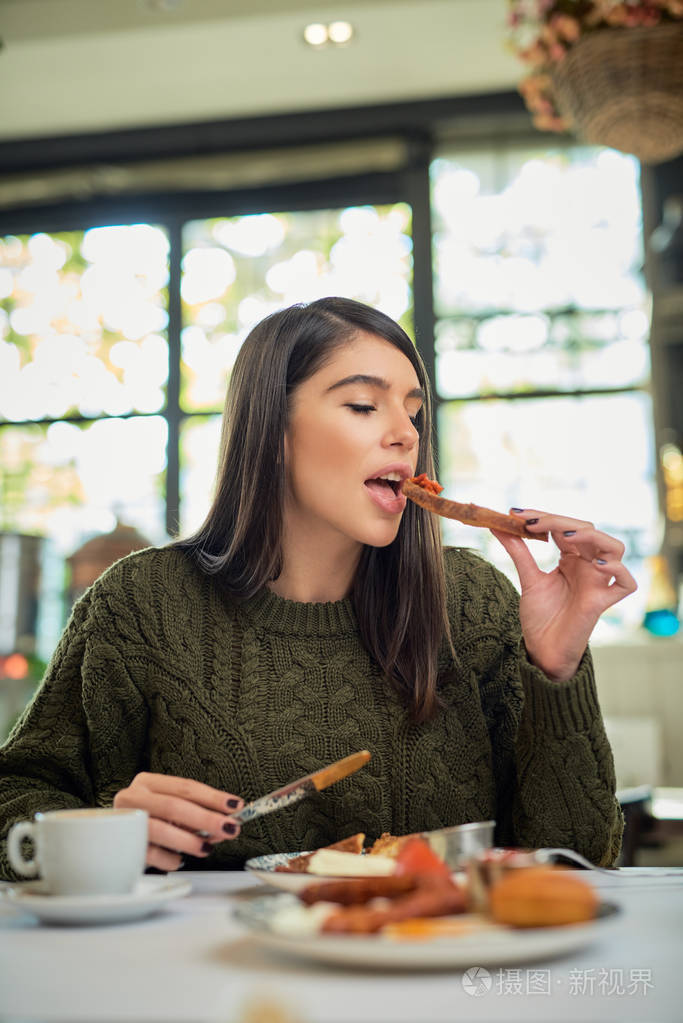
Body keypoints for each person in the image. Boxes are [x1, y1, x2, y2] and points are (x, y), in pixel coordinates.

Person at [0, 297, 636, 878]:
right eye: (363, 405)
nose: (406, 434)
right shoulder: (143, 604)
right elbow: (16, 797)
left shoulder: (472, 602)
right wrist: (103, 832)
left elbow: (575, 859)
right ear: (271, 429)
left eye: (414, 412)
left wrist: (556, 669)